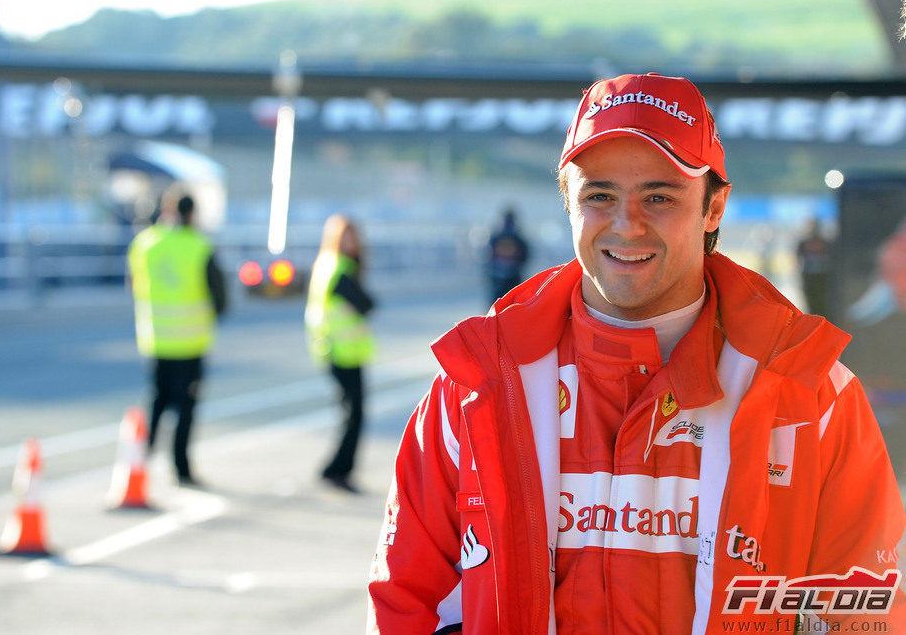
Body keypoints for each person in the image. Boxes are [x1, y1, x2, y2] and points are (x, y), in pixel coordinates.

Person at [367, 73, 905, 633]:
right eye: (599, 195)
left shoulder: (812, 394)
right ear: (568, 203)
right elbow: (405, 602)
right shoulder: (474, 388)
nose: (628, 224)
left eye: (659, 196)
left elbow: (869, 612)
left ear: (714, 207)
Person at [127, 189, 227, 486]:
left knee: (157, 400)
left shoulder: (145, 243)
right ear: (192, 213)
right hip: (191, 341)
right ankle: (180, 466)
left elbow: (133, 284)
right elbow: (220, 298)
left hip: (156, 338)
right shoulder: (199, 245)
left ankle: (141, 459)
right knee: (185, 407)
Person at [305, 214, 376, 493]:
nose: (353, 242)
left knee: (350, 415)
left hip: (332, 349)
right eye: (347, 236)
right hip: (345, 352)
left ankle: (334, 468)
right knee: (354, 416)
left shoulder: (325, 264)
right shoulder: (341, 269)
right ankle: (338, 469)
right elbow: (366, 303)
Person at [485, 207, 530, 303]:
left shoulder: (496, 236)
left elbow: (488, 255)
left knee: (496, 304)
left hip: (498, 275)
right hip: (513, 275)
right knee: (513, 302)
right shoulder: (518, 237)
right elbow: (525, 256)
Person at [795, 217, 832, 317]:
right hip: (809, 276)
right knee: (811, 300)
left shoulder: (825, 243)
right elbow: (798, 257)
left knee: (822, 301)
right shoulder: (804, 243)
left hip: (821, 276)